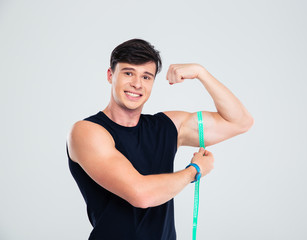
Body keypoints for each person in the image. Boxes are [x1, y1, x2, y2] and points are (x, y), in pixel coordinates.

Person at [66, 38, 254, 240]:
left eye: (146, 77)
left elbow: (240, 122)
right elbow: (141, 194)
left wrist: (202, 73)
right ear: (110, 75)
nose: (137, 84)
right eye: (128, 73)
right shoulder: (87, 132)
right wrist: (194, 171)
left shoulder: (167, 126)